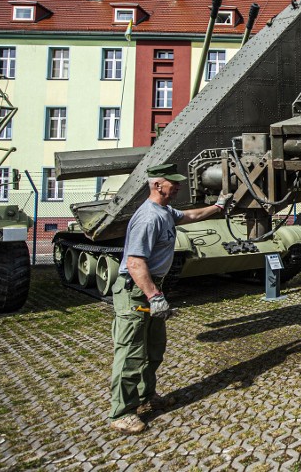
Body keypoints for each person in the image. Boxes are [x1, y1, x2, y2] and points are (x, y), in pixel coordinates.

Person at [109, 163, 231, 434]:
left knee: (153, 350)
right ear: (157, 185)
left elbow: (190, 215)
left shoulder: (164, 212)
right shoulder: (148, 218)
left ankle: (145, 396)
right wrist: (154, 296)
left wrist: (218, 207)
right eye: (172, 183)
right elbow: (135, 262)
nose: (177, 186)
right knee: (130, 353)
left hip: (153, 290)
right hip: (137, 291)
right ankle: (121, 412)